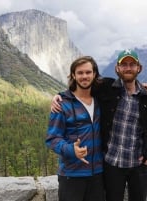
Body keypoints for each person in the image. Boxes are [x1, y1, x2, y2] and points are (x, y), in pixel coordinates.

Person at [52, 49, 147, 201]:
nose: (128, 68)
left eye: (132, 64)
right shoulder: (107, 88)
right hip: (112, 165)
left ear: (139, 68)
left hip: (139, 165)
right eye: (124, 64)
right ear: (117, 68)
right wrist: (59, 96)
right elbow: (81, 86)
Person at [45, 56, 104, 201]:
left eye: (88, 72)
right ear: (73, 75)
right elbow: (52, 138)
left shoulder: (101, 99)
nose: (84, 76)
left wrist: (145, 87)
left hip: (98, 175)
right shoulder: (62, 104)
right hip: (71, 175)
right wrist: (71, 150)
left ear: (94, 74)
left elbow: (125, 85)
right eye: (80, 73)